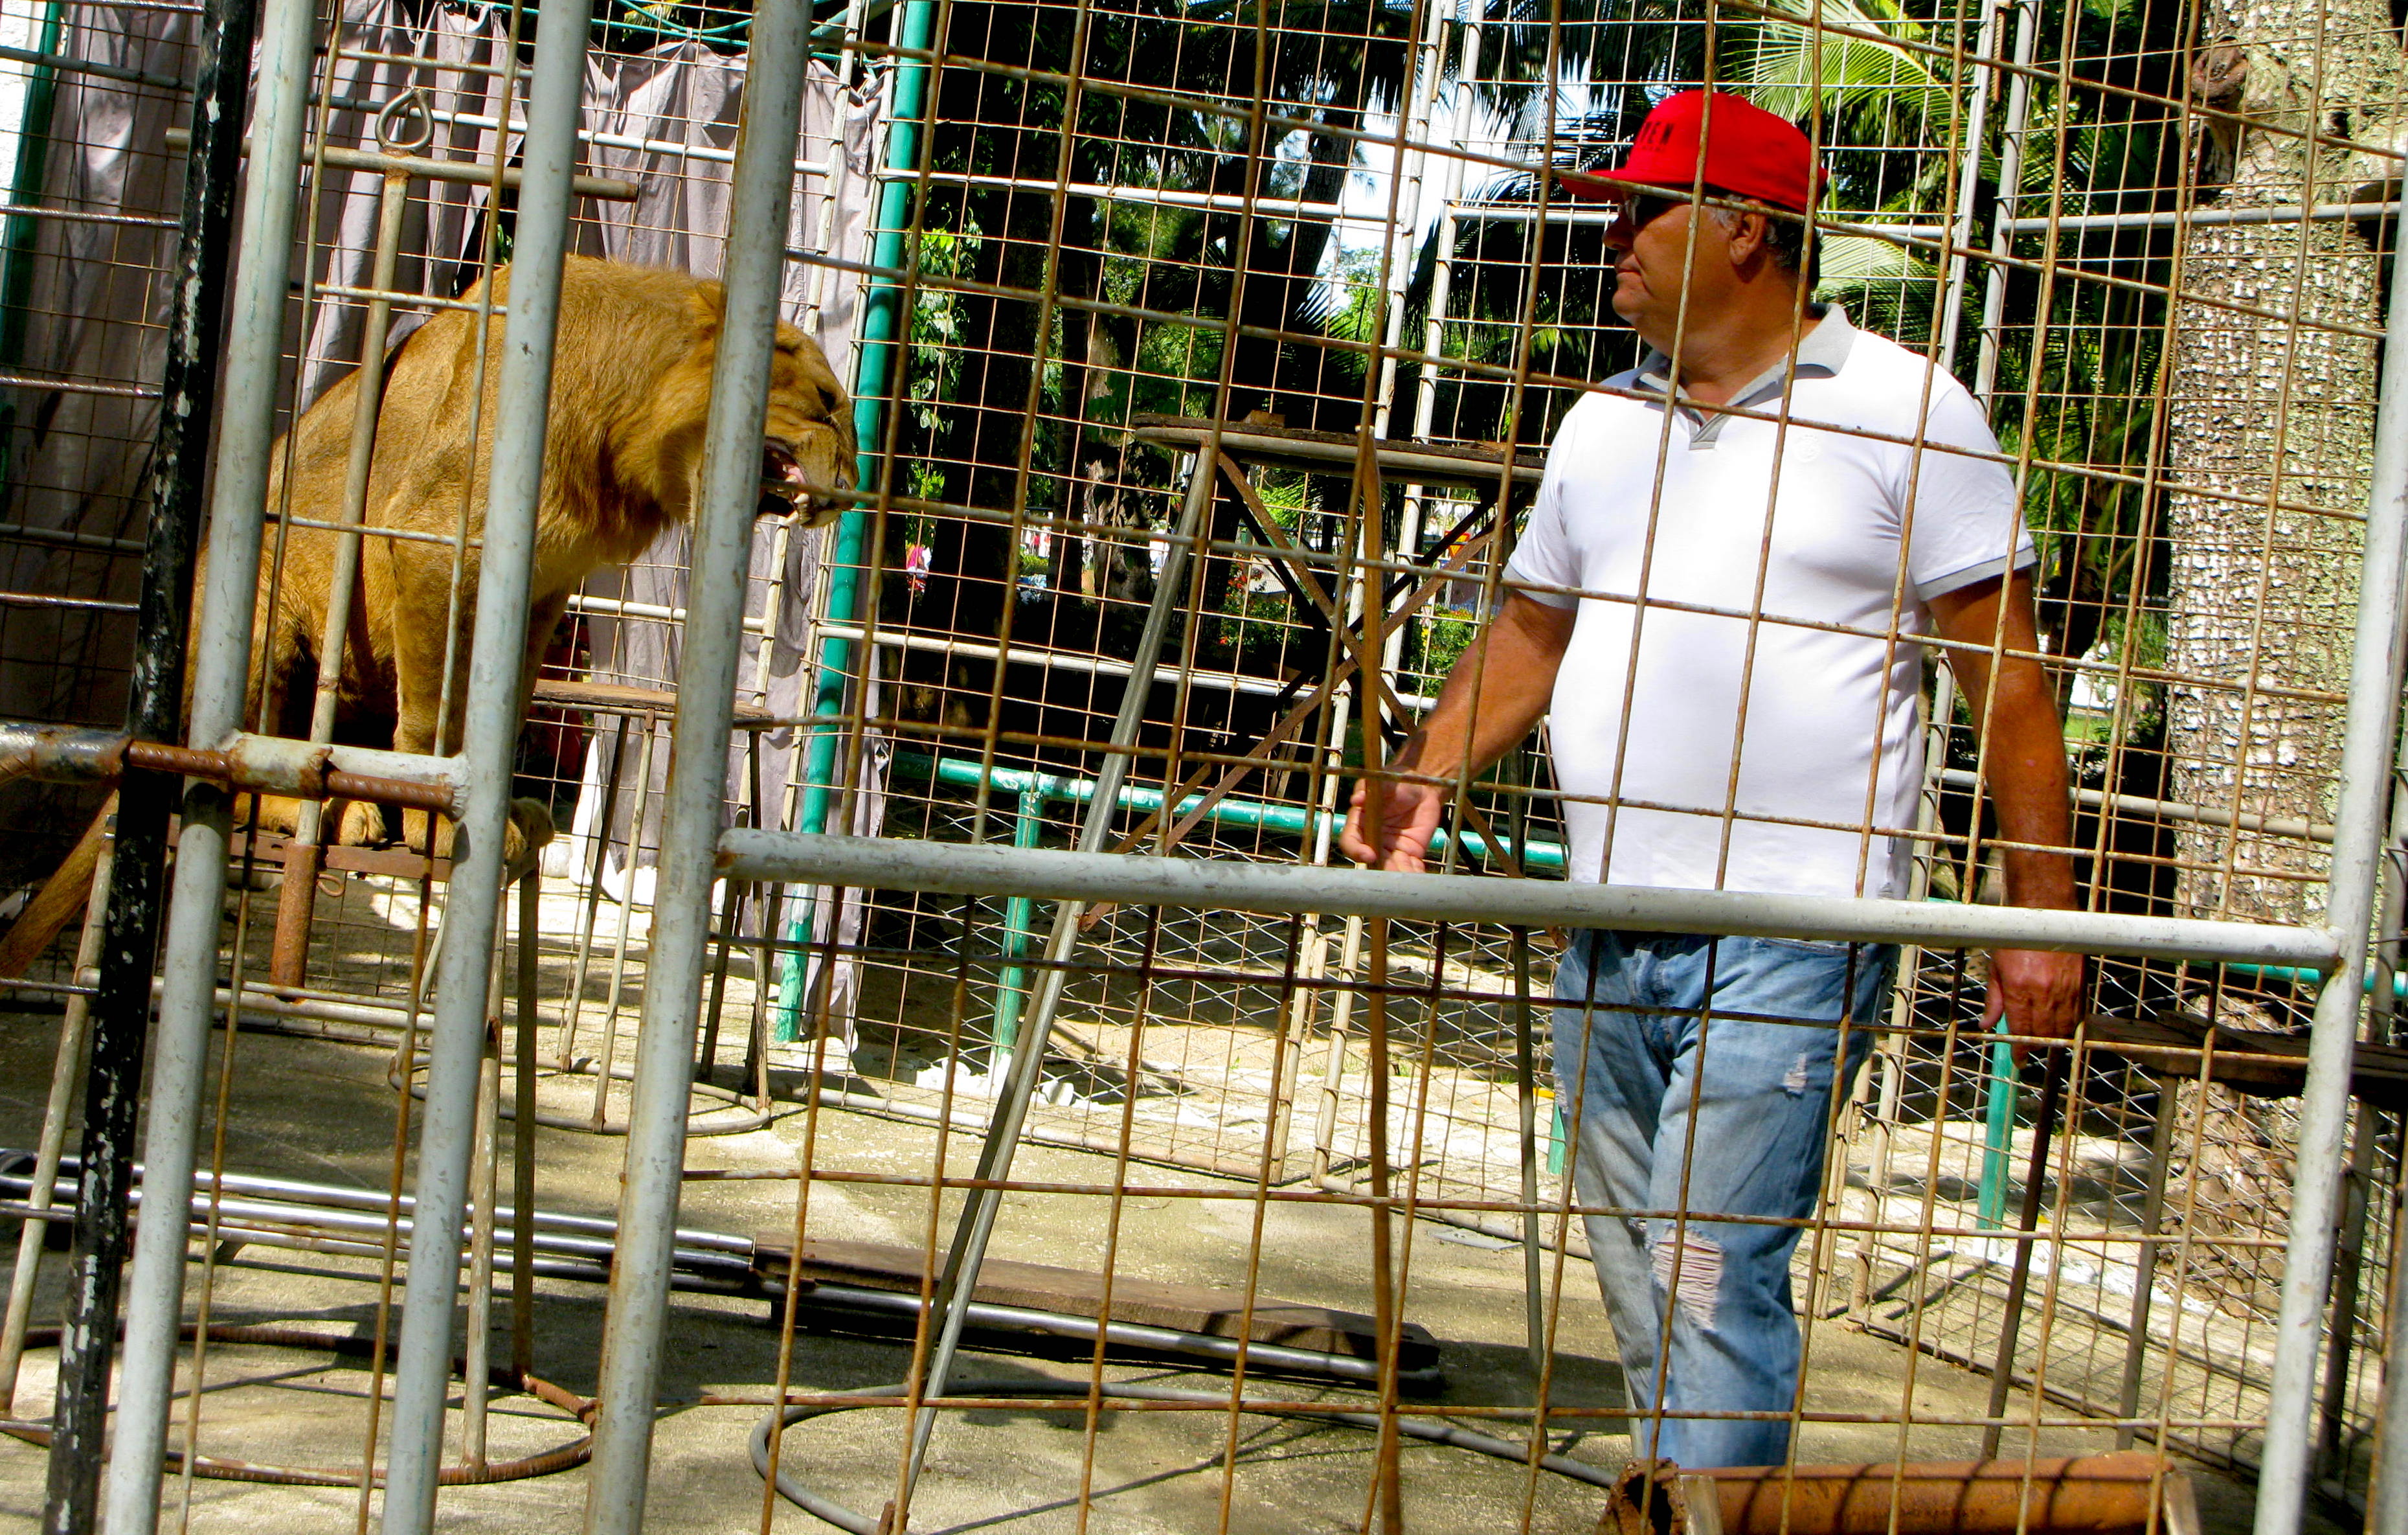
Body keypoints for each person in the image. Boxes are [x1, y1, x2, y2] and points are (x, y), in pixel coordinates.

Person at [1336, 90, 2084, 1470]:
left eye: (1637, 213)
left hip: (1802, 926)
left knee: (1706, 1262)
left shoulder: (1911, 411)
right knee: (1630, 1261)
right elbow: (1532, 630)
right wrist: (1425, 772)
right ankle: (1681, 1499)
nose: (1609, 242)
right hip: (1608, 913)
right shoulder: (1602, 422)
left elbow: (2012, 682)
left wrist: (2037, 910)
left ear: (1744, 230)